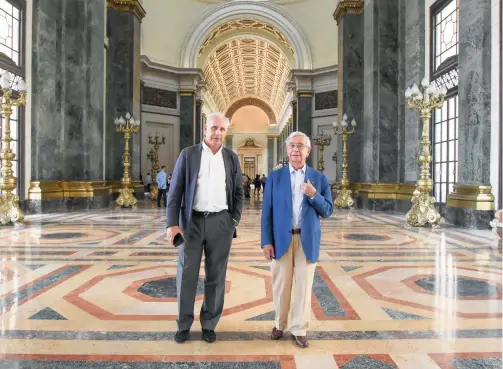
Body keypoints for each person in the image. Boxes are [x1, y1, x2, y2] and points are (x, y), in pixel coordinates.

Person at [166, 112, 244, 344]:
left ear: (226, 132)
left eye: (221, 129)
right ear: (205, 128)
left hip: (221, 223)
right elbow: (175, 192)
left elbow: (239, 192)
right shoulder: (188, 155)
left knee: (216, 276)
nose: (217, 133)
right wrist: (172, 224)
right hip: (191, 223)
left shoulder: (231, 158)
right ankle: (183, 324)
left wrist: (234, 220)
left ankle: (209, 323)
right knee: (186, 275)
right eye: (213, 128)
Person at [261, 131, 333, 348]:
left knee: (303, 285)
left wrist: (313, 194)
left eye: (300, 146)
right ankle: (279, 324)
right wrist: (266, 241)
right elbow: (267, 211)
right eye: (292, 145)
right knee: (281, 285)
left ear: (308, 151)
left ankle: (299, 328)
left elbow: (328, 210)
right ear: (287, 149)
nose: (295, 150)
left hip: (306, 240)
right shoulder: (275, 177)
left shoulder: (319, 179)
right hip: (281, 239)